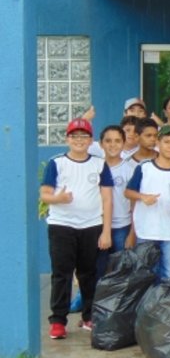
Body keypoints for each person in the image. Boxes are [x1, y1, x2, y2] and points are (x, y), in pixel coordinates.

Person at [40, 118, 113, 339]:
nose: (79, 140)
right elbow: (44, 194)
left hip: (91, 226)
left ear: (91, 140)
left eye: (84, 136)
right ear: (67, 139)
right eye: (75, 136)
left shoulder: (99, 164)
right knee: (61, 274)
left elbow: (107, 199)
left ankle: (89, 316)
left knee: (88, 274)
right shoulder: (57, 163)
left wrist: (106, 231)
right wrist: (58, 198)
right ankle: (58, 321)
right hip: (62, 226)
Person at [125, 125, 170, 282]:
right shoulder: (144, 168)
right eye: (166, 142)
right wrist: (142, 197)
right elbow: (128, 192)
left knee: (169, 275)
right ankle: (146, 306)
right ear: (158, 143)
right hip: (146, 231)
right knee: (146, 273)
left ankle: (164, 305)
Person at [95, 125, 137, 279]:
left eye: (118, 141)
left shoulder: (131, 169)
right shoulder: (94, 166)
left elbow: (135, 204)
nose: (113, 145)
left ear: (124, 143)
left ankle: (120, 304)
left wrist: (132, 232)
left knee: (121, 273)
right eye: (108, 141)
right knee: (95, 271)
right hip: (95, 226)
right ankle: (86, 302)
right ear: (101, 144)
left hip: (122, 227)